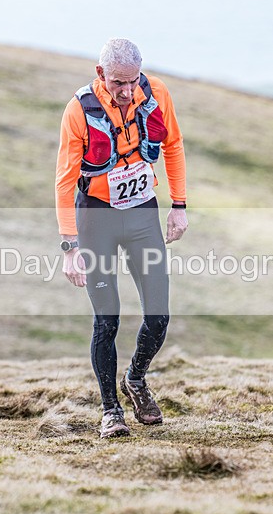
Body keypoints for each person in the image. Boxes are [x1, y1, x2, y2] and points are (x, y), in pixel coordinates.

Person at [55, 38, 188, 438]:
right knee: (106, 320)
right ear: (100, 75)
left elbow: (173, 145)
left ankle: (135, 379)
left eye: (132, 81)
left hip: (143, 213)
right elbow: (64, 181)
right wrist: (70, 246)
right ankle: (110, 410)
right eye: (117, 83)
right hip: (96, 219)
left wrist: (178, 206)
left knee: (159, 315)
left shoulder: (157, 92)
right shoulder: (79, 111)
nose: (127, 91)